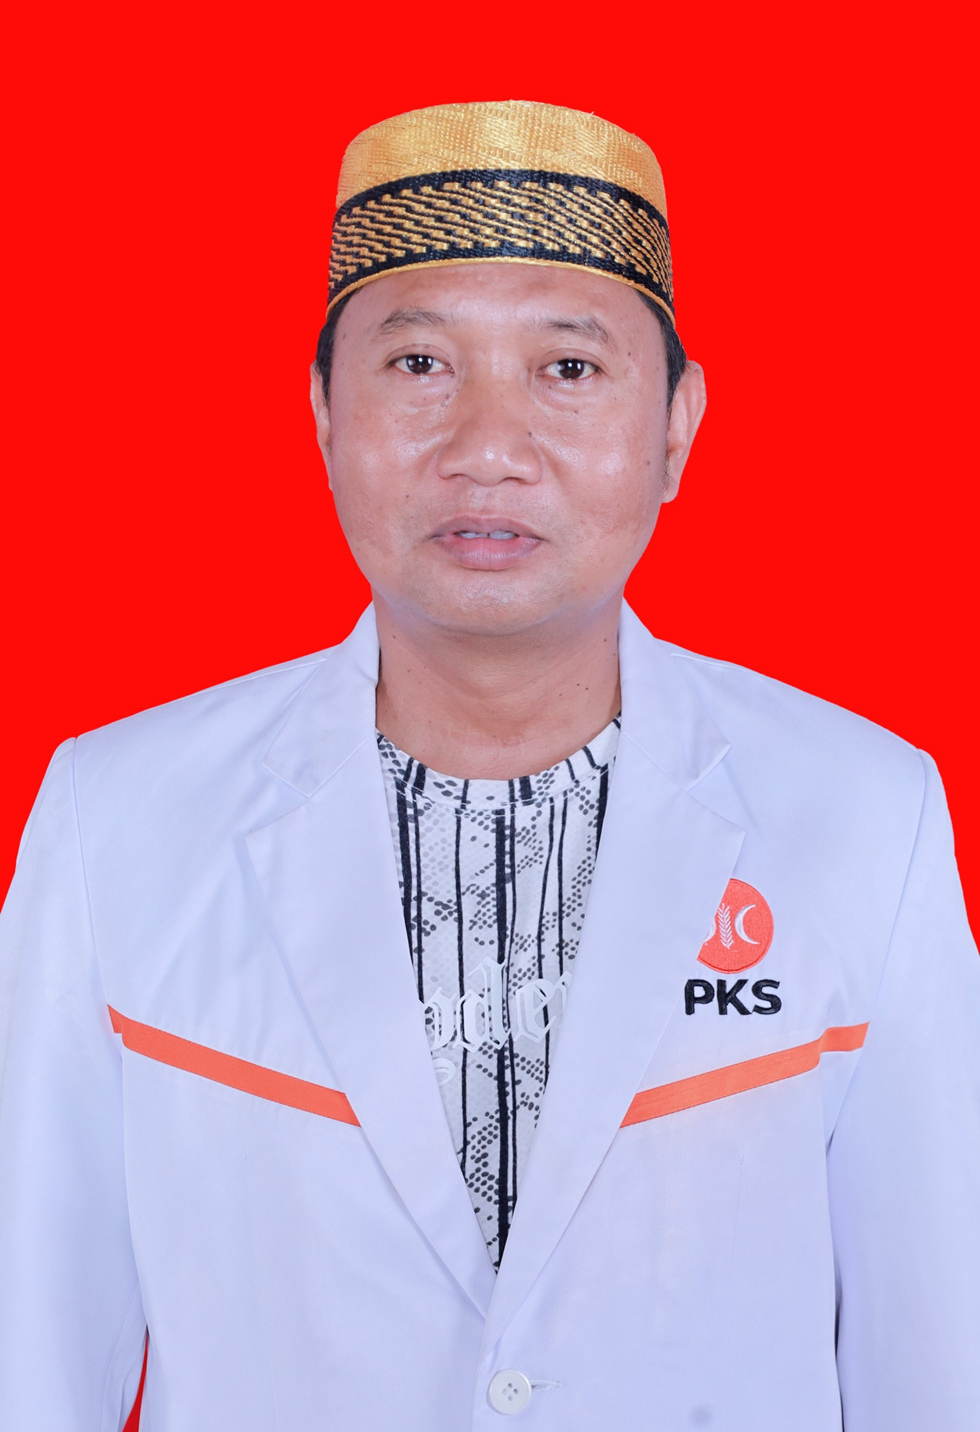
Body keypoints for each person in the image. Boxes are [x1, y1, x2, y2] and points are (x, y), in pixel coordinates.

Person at [0, 100, 977, 1432]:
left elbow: (941, 1366)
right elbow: (29, 1356)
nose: (488, 448)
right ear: (323, 412)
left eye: (568, 367)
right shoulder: (118, 821)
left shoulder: (866, 819)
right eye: (419, 362)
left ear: (677, 426)